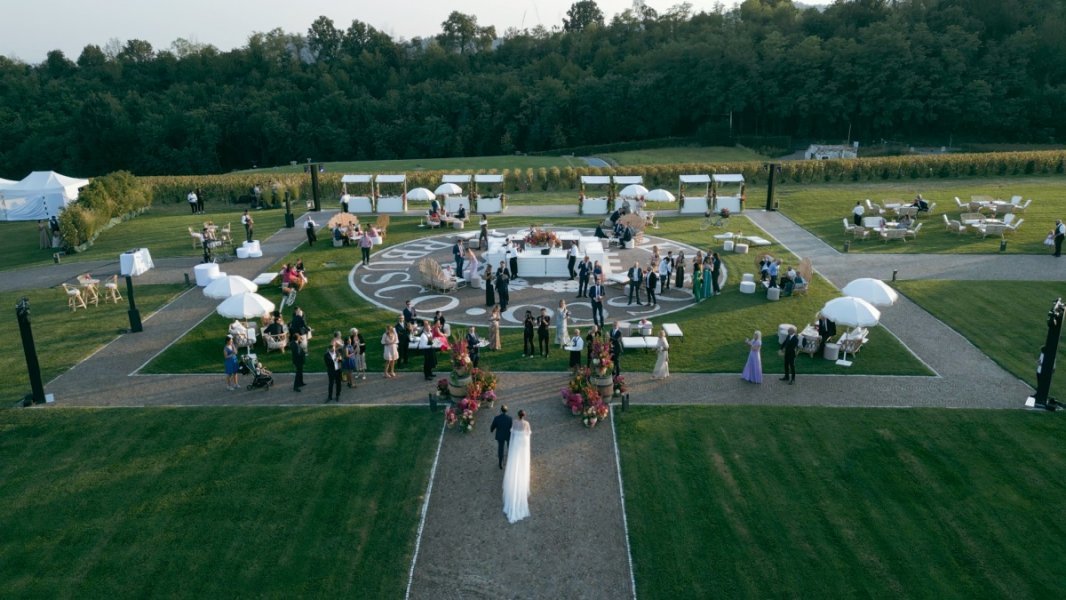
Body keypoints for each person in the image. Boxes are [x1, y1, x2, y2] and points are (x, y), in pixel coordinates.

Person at [502, 409, 531, 524]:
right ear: (524, 416)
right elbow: (528, 436)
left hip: (516, 446)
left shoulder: (514, 422)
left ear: (518, 415)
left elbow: (512, 434)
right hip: (523, 446)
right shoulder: (526, 424)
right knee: (522, 465)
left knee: (514, 464)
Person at [490, 405, 513, 470]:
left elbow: (493, 426)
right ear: (507, 411)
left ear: (500, 410)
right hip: (508, 435)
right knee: (509, 448)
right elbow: (511, 427)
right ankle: (510, 461)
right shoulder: (510, 418)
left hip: (500, 435)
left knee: (500, 449)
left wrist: (491, 430)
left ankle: (500, 462)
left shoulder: (497, 418)